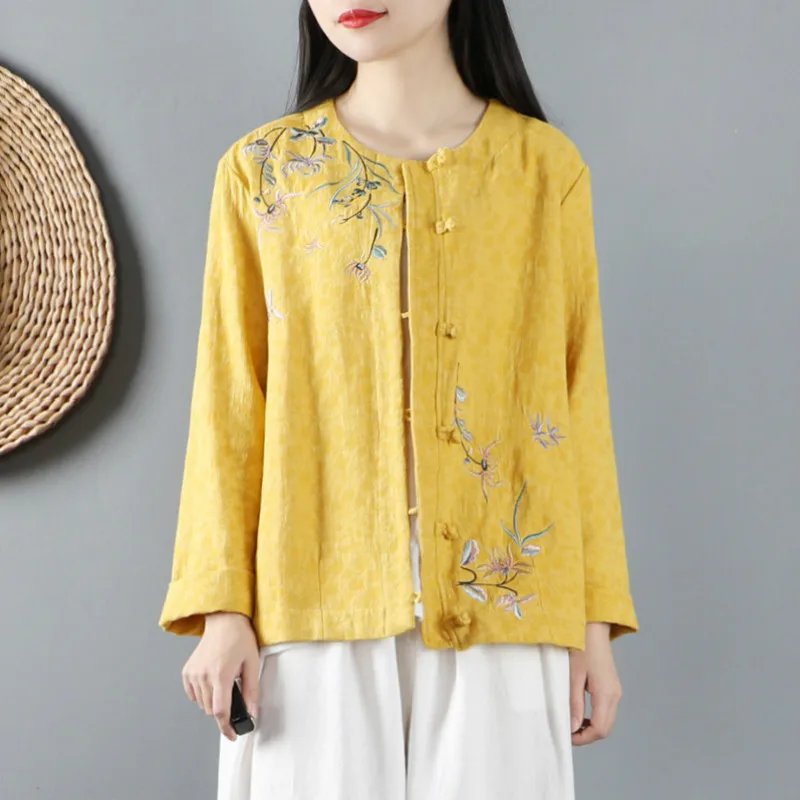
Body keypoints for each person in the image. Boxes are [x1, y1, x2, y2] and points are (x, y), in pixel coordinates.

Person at [158, 1, 639, 797]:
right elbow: (229, 405)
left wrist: (593, 619)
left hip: (508, 605)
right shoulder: (266, 170)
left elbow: (578, 399)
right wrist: (221, 610)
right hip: (310, 599)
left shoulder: (542, 169)